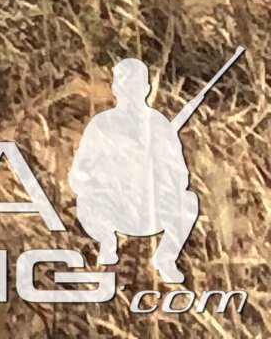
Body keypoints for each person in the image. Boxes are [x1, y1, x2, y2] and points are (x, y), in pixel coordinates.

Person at [70, 58, 202, 285]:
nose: (129, 93)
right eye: (124, 86)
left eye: (135, 87)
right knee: (85, 202)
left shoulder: (159, 125)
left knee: (188, 202)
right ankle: (108, 246)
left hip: (151, 210)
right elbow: (77, 175)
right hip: (111, 209)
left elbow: (181, 177)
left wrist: (156, 174)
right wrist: (106, 182)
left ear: (146, 89)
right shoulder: (101, 125)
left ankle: (166, 258)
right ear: (115, 89)